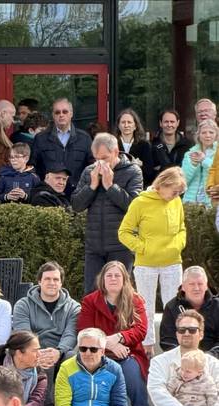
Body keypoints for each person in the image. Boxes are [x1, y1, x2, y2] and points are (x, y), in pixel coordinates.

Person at [117, 167, 187, 352]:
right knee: (145, 306)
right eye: (175, 191)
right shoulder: (140, 203)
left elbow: (181, 228)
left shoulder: (176, 201)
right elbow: (124, 232)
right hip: (146, 264)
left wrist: (178, 245)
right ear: (163, 185)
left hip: (172, 262)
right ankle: (147, 347)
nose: (176, 195)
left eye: (179, 192)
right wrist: (143, 248)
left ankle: (175, 345)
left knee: (174, 305)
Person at [71, 133, 143, 293]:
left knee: (119, 295)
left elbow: (134, 206)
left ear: (116, 152)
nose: (100, 163)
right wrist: (92, 186)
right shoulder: (89, 171)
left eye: (104, 158)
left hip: (121, 246)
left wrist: (111, 186)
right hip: (94, 246)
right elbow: (76, 205)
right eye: (96, 159)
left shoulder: (133, 171)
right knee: (92, 295)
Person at [78, 261, 150, 406]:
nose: (113, 278)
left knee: (132, 372)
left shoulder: (135, 300)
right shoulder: (90, 301)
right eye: (109, 275)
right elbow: (84, 330)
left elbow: (141, 329)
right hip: (96, 352)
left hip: (128, 352)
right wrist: (108, 344)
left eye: (117, 275)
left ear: (124, 279)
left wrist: (120, 337)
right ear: (102, 279)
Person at [11, 262, 81, 401]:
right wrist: (39, 352)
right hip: (34, 350)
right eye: (47, 279)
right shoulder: (23, 305)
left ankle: (66, 405)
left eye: (56, 279)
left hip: (62, 351)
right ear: (39, 282)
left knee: (73, 357)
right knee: (42, 361)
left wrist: (58, 351)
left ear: (61, 283)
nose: (51, 283)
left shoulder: (74, 307)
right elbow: (24, 334)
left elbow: (71, 333)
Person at [31, 98, 92, 190]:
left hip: (77, 192)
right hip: (49, 193)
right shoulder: (41, 138)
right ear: (53, 115)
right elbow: (32, 166)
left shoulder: (84, 138)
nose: (61, 115)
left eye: (65, 112)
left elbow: (92, 166)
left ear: (71, 114)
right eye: (57, 112)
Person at [159, 266, 219, 352]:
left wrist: (208, 357)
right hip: (181, 359)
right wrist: (186, 357)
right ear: (183, 287)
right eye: (191, 284)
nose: (196, 288)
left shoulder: (217, 306)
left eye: (200, 284)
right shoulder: (172, 307)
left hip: (214, 360)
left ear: (206, 286)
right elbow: (168, 341)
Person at [181, 120, 218, 207]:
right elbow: (183, 181)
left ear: (216, 135)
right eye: (204, 132)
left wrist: (204, 160)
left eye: (211, 132)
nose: (207, 135)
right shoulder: (190, 153)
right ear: (199, 135)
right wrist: (193, 165)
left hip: (212, 203)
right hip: (191, 203)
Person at [115, 108, 155, 185]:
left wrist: (139, 166)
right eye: (123, 122)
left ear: (135, 126)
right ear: (118, 125)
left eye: (129, 122)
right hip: (116, 186)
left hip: (137, 187)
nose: (126, 125)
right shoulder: (112, 144)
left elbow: (150, 173)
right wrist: (134, 164)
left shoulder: (144, 145)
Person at [150, 109, 191, 177]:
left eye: (172, 122)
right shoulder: (152, 145)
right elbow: (150, 171)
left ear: (177, 123)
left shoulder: (187, 145)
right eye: (166, 122)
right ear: (160, 123)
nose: (169, 125)